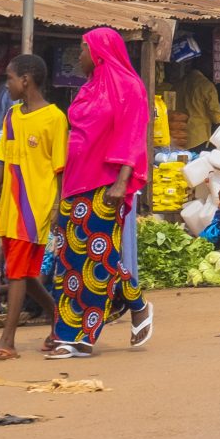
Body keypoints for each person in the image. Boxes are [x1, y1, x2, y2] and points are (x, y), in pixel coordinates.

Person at [48, 27, 153, 358]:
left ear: (99, 52)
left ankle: (80, 336)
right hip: (75, 182)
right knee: (71, 259)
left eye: (82, 49)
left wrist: (122, 181)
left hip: (106, 185)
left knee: (95, 260)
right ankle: (136, 306)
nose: (78, 56)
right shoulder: (88, 88)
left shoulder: (130, 87)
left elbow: (133, 136)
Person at [0, 54, 66, 362]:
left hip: (35, 206)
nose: (8, 84)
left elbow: (60, 168)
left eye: (10, 78)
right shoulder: (12, 116)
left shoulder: (55, 118)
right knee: (26, 274)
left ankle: (7, 341)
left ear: (26, 80)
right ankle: (61, 320)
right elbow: (2, 161)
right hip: (10, 206)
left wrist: (58, 207)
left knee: (18, 272)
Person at [161, 36, 220, 149]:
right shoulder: (207, 86)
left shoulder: (179, 83)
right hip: (199, 137)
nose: (212, 68)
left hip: (179, 135)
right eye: (210, 64)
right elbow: (216, 116)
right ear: (203, 64)